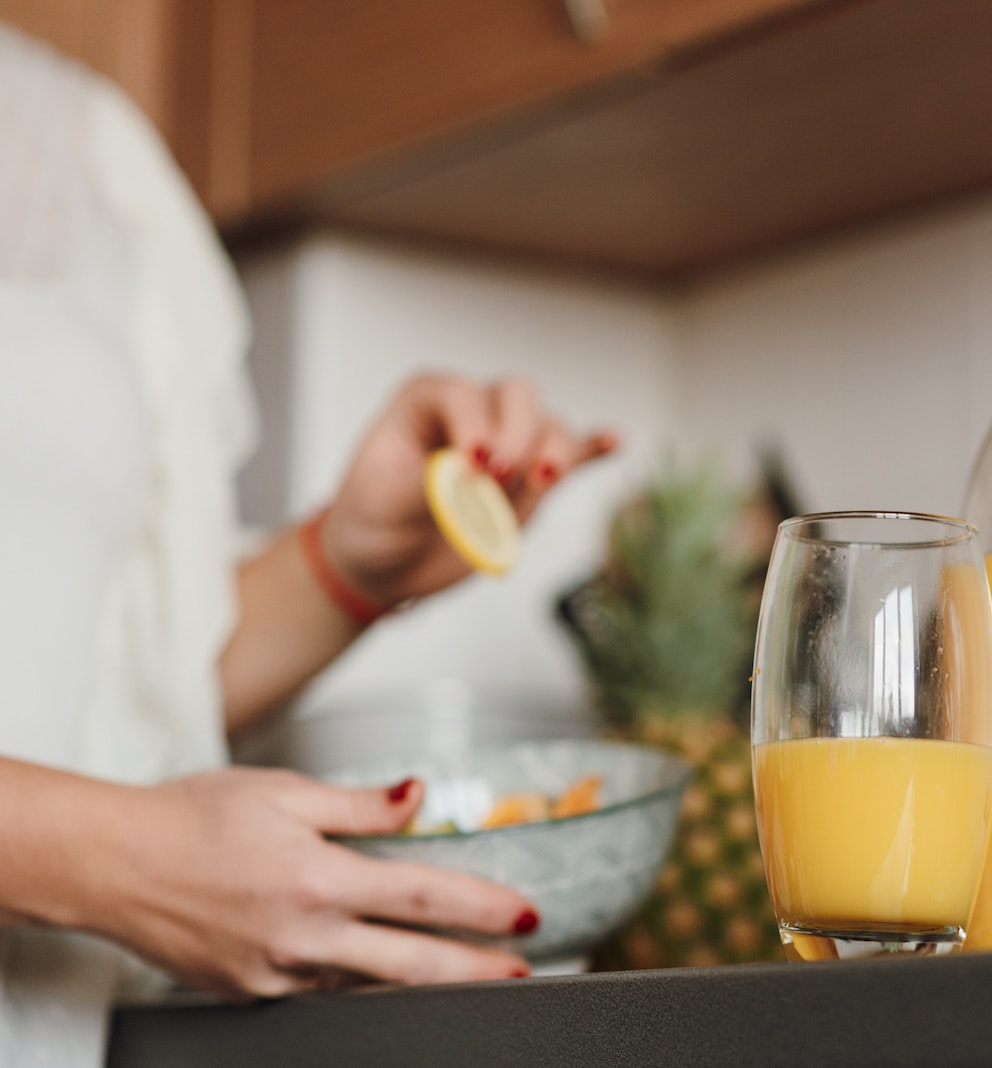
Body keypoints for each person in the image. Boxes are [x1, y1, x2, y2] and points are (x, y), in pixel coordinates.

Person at [0, 22, 614, 1064]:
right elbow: (97, 823)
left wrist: (344, 569)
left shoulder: (83, 141)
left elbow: (103, 700)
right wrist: (107, 857)